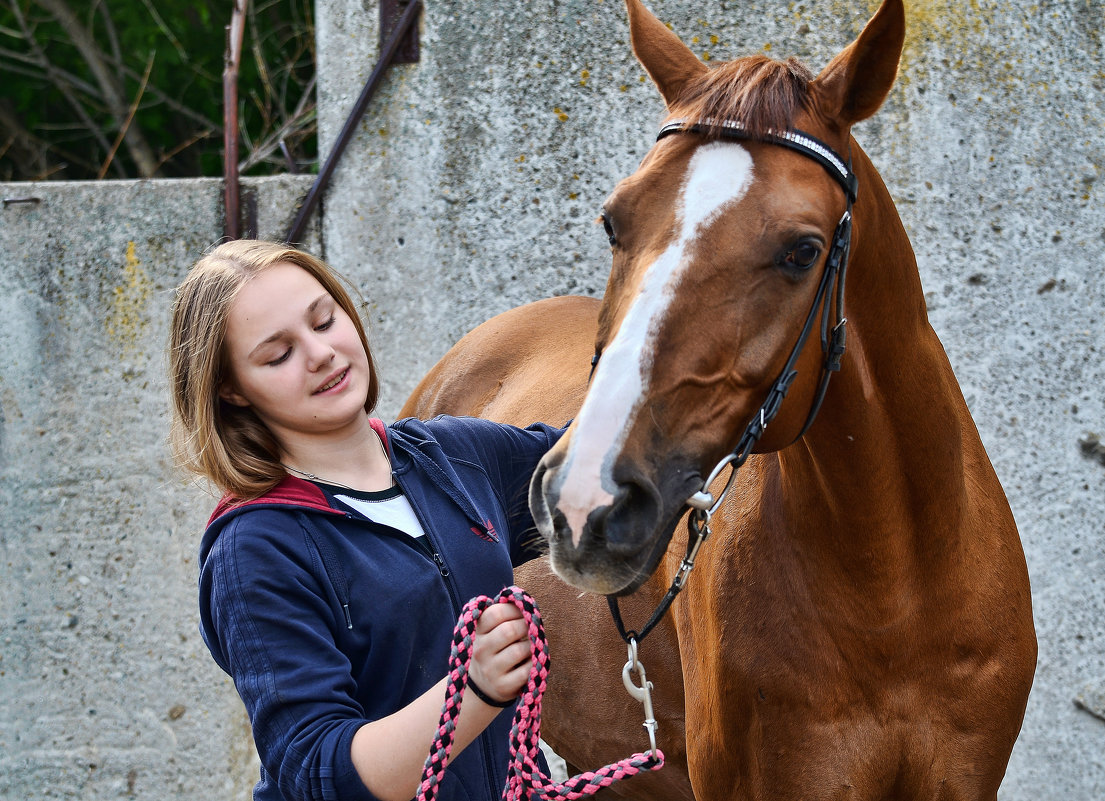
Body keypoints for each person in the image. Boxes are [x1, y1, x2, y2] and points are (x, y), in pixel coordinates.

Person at [168, 239, 563, 801]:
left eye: (324, 321)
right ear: (231, 390)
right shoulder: (255, 548)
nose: (321, 354)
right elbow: (317, 773)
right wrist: (469, 693)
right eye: (277, 355)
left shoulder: (451, 456)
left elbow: (602, 466)